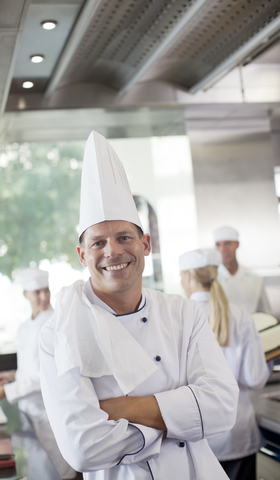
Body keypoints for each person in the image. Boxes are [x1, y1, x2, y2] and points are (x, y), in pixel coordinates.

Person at [39, 130, 239, 480]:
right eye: (98, 242)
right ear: (82, 255)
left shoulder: (183, 313)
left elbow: (222, 408)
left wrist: (122, 409)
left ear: (145, 244)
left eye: (124, 237)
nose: (112, 251)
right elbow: (83, 449)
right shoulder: (59, 332)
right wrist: (181, 419)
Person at [179, 248, 270, 480]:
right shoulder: (240, 316)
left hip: (194, 436)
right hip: (236, 433)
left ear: (187, 276)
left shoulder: (176, 318)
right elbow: (256, 378)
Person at [0, 268, 76, 480]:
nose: (43, 297)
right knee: (35, 468)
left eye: (46, 290)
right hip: (28, 409)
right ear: (25, 294)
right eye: (37, 292)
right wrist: (11, 375)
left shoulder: (57, 322)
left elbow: (48, 375)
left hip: (50, 410)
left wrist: (5, 391)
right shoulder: (24, 327)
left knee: (59, 470)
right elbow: (32, 368)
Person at [213, 226, 271, 314]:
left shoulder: (254, 277)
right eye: (218, 244)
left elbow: (265, 311)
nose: (223, 249)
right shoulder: (212, 278)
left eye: (227, 243)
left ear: (237, 244)